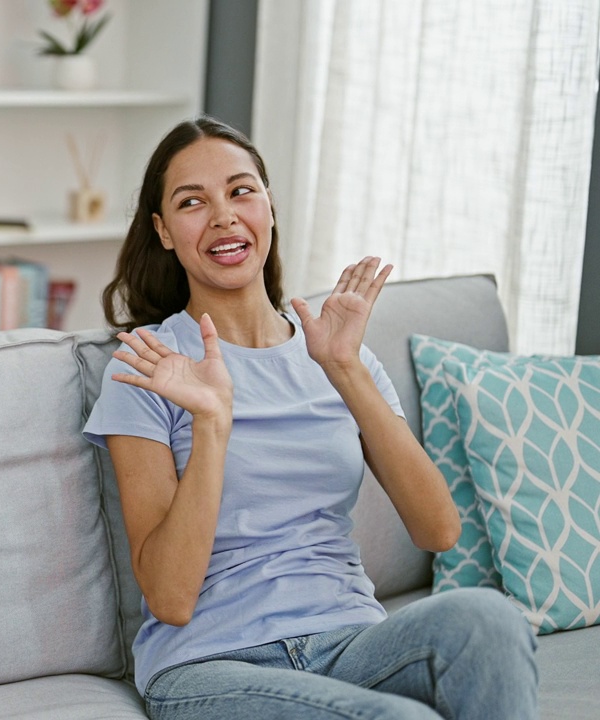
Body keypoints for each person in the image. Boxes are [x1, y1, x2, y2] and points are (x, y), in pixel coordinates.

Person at [84, 116, 538, 719]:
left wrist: (344, 368)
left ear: (269, 206)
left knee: (488, 619)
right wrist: (214, 423)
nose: (223, 215)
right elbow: (169, 597)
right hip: (210, 666)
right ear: (164, 232)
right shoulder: (150, 365)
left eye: (241, 191)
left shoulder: (338, 352)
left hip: (353, 642)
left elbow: (440, 531)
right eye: (193, 202)